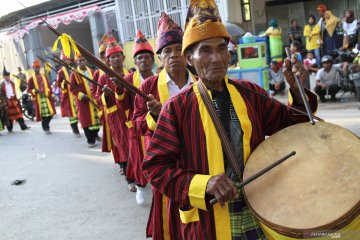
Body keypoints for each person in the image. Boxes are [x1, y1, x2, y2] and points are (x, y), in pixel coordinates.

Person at [142, 0, 318, 239]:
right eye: (205, 50)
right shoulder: (177, 108)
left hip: (258, 205)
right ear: (190, 59)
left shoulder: (249, 93)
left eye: (221, 49)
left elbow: (293, 125)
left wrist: (297, 88)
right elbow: (155, 168)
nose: (216, 58)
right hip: (209, 219)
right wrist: (203, 183)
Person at [118, 12, 196, 239]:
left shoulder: (200, 81)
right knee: (171, 213)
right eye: (166, 51)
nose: (173, 55)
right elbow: (138, 124)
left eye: (177, 49)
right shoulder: (149, 86)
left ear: (187, 54)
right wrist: (155, 116)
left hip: (199, 157)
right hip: (169, 163)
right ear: (160, 59)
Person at [114, 30, 155, 204]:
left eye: (146, 57)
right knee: (138, 160)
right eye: (139, 58)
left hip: (155, 126)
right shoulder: (128, 79)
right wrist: (119, 89)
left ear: (152, 60)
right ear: (135, 62)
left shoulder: (158, 78)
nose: (143, 60)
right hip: (137, 127)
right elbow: (122, 105)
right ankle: (140, 187)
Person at [95, 37, 137, 192]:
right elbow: (98, 98)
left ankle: (140, 173)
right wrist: (106, 94)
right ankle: (130, 179)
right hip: (115, 117)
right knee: (124, 148)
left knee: (136, 146)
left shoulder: (131, 73)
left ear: (123, 57)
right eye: (112, 57)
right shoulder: (103, 77)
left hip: (130, 114)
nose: (116, 59)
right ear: (108, 60)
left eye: (118, 55)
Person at [70, 54, 101, 147]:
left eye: (83, 60)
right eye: (79, 61)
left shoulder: (91, 71)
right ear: (77, 62)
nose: (82, 62)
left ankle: (95, 134)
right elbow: (72, 89)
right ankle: (90, 140)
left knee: (97, 120)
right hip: (83, 102)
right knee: (86, 121)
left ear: (86, 61)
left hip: (93, 99)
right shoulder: (74, 74)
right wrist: (81, 95)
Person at [27, 59, 56, 134]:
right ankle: (46, 128)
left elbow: (49, 87)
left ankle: (46, 125)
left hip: (47, 98)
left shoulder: (44, 76)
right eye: (35, 67)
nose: (37, 69)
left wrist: (52, 95)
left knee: (50, 114)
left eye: (38, 67)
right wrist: (35, 91)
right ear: (33, 68)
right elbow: (29, 90)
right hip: (38, 100)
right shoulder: (31, 79)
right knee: (43, 115)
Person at [56, 51, 80, 137]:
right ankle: (75, 129)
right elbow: (59, 84)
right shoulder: (60, 72)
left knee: (80, 113)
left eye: (68, 60)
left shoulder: (73, 70)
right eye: (65, 60)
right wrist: (64, 83)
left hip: (76, 94)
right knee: (72, 116)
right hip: (68, 96)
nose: (67, 62)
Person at [0, 65, 29, 132]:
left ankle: (23, 126)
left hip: (13, 100)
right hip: (7, 101)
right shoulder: (1, 84)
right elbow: (1, 95)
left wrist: (16, 99)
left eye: (8, 76)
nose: (8, 77)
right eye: (6, 76)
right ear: (4, 76)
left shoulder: (12, 83)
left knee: (19, 114)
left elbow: (14, 92)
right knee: (9, 116)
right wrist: (4, 103)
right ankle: (10, 129)